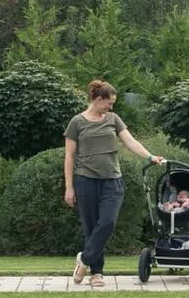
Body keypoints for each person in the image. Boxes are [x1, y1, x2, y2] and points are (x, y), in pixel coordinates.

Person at [64, 79, 164, 286]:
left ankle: (84, 260)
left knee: (108, 222)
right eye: (109, 103)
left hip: (112, 181)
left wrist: (150, 156)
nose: (111, 107)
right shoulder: (77, 122)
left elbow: (130, 141)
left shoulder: (113, 119)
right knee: (91, 227)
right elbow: (69, 157)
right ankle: (96, 273)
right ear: (97, 99)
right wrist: (69, 187)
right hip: (85, 181)